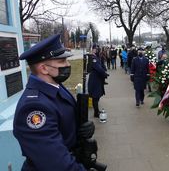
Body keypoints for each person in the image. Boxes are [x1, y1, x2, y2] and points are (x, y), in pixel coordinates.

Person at [13, 34, 92, 170]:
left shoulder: (55, 85)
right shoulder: (34, 108)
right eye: (61, 61)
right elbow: (56, 164)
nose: (68, 65)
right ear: (43, 68)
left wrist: (81, 129)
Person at [88, 45, 109, 118]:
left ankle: (96, 111)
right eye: (95, 49)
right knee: (95, 96)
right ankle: (96, 113)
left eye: (97, 49)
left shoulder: (96, 57)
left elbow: (101, 66)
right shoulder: (93, 58)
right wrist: (104, 73)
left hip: (97, 79)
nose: (97, 50)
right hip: (95, 80)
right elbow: (98, 68)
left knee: (97, 96)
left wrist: (104, 72)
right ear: (92, 50)